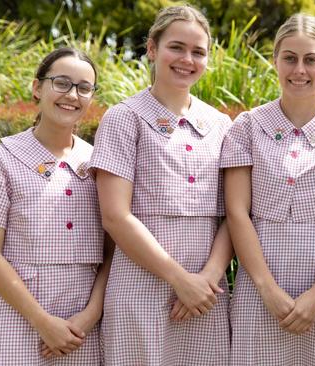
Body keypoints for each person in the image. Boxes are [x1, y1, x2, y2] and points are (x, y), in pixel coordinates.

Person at [221, 13, 315, 365]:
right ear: (275, 60)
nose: (299, 70)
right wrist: (267, 290)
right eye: (289, 58)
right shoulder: (247, 127)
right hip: (260, 291)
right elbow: (237, 213)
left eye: (310, 59)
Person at [90, 5, 233, 365]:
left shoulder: (220, 125)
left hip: (206, 294)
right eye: (176, 47)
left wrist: (207, 280)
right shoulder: (124, 118)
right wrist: (179, 280)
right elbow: (115, 216)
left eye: (198, 52)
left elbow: (236, 213)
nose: (187, 59)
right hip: (139, 287)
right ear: (152, 48)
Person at [0, 47, 112, 364]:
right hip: (18, 326)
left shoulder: (99, 164)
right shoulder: (0, 160)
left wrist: (91, 314)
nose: (72, 94)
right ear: (37, 87)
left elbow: (112, 249)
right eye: (61, 83)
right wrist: (42, 322)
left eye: (84, 88)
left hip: (82, 334)